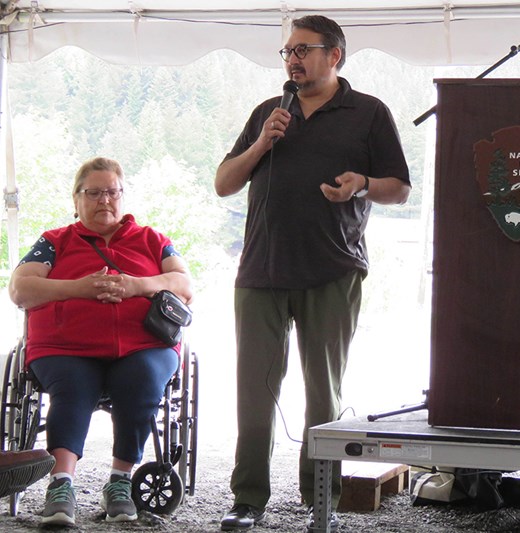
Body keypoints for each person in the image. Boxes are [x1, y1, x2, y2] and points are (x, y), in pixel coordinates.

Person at [214, 15, 410, 531]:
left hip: (332, 269)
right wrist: (262, 143)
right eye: (287, 52)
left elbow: (400, 188)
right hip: (260, 271)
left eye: (303, 49)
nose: (293, 59)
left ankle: (319, 496)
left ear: (334, 55)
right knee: (253, 389)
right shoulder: (268, 112)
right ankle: (247, 498)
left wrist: (362, 184)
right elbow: (224, 183)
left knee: (323, 392)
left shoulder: (368, 113)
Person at [8, 157, 193, 527]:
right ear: (76, 199)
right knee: (72, 387)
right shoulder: (54, 242)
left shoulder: (152, 240)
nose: (104, 200)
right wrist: (78, 289)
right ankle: (61, 485)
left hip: (144, 345)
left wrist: (137, 285)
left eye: (112, 192)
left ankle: (121, 483)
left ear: (123, 196)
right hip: (67, 345)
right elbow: (20, 288)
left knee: (141, 379)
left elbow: (185, 286)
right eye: (93, 193)